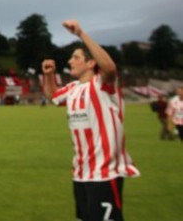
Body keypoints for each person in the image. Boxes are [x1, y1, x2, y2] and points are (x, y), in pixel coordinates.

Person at [42, 20, 140, 221]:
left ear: (90, 62)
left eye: (76, 57)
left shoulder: (103, 84)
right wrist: (49, 75)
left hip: (104, 173)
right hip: (80, 172)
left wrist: (81, 33)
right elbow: (52, 96)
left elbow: (110, 68)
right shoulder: (73, 88)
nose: (70, 61)